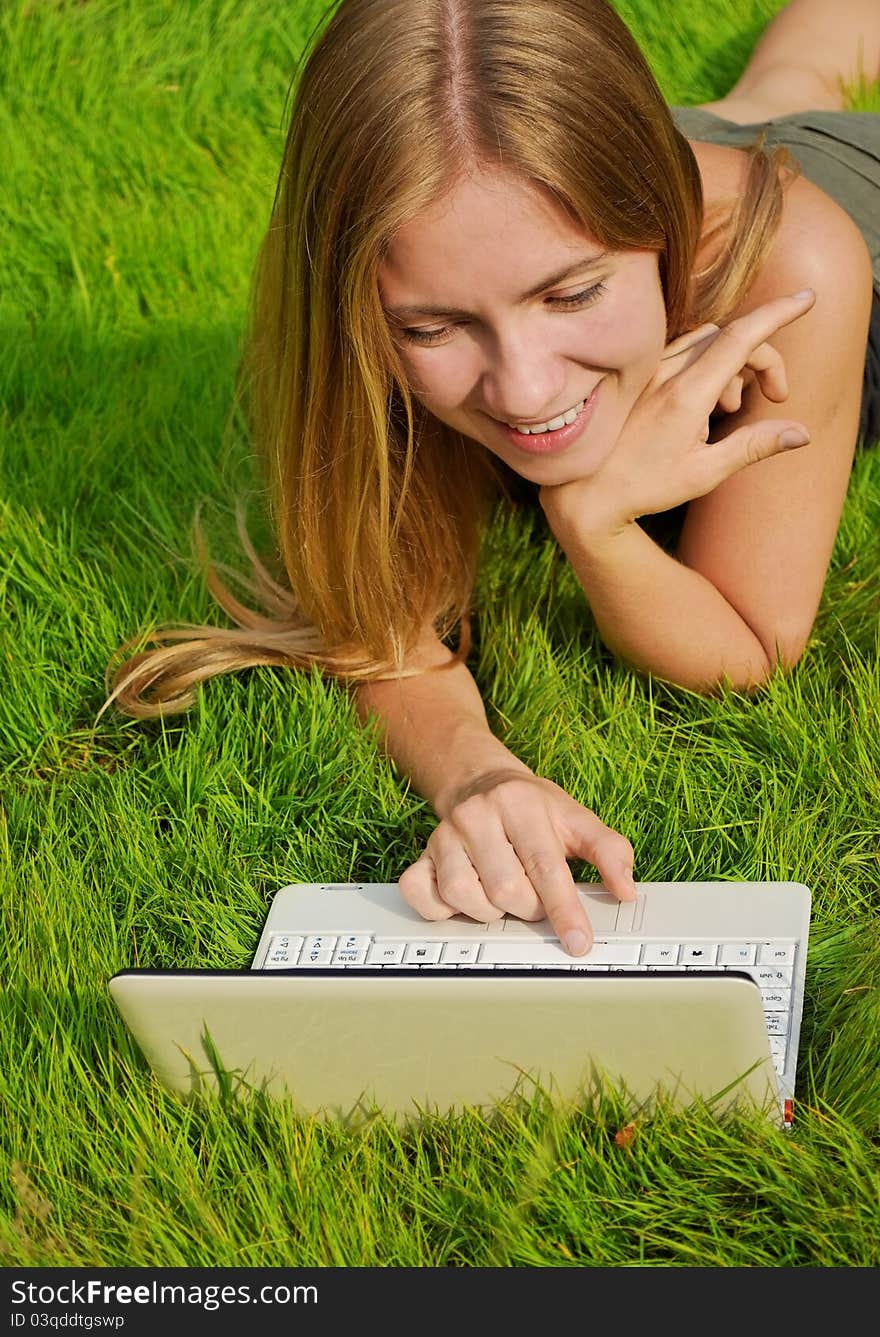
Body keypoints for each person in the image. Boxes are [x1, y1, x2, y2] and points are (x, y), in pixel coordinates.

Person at [102, 0, 879, 958]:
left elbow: (749, 644)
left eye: (574, 293)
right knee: (769, 100)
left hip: (836, 211)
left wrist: (592, 524)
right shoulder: (410, 263)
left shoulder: (794, 267)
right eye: (433, 327)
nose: (526, 388)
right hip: (678, 153)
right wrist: (476, 773)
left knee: (794, 114)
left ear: (656, 225)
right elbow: (373, 611)